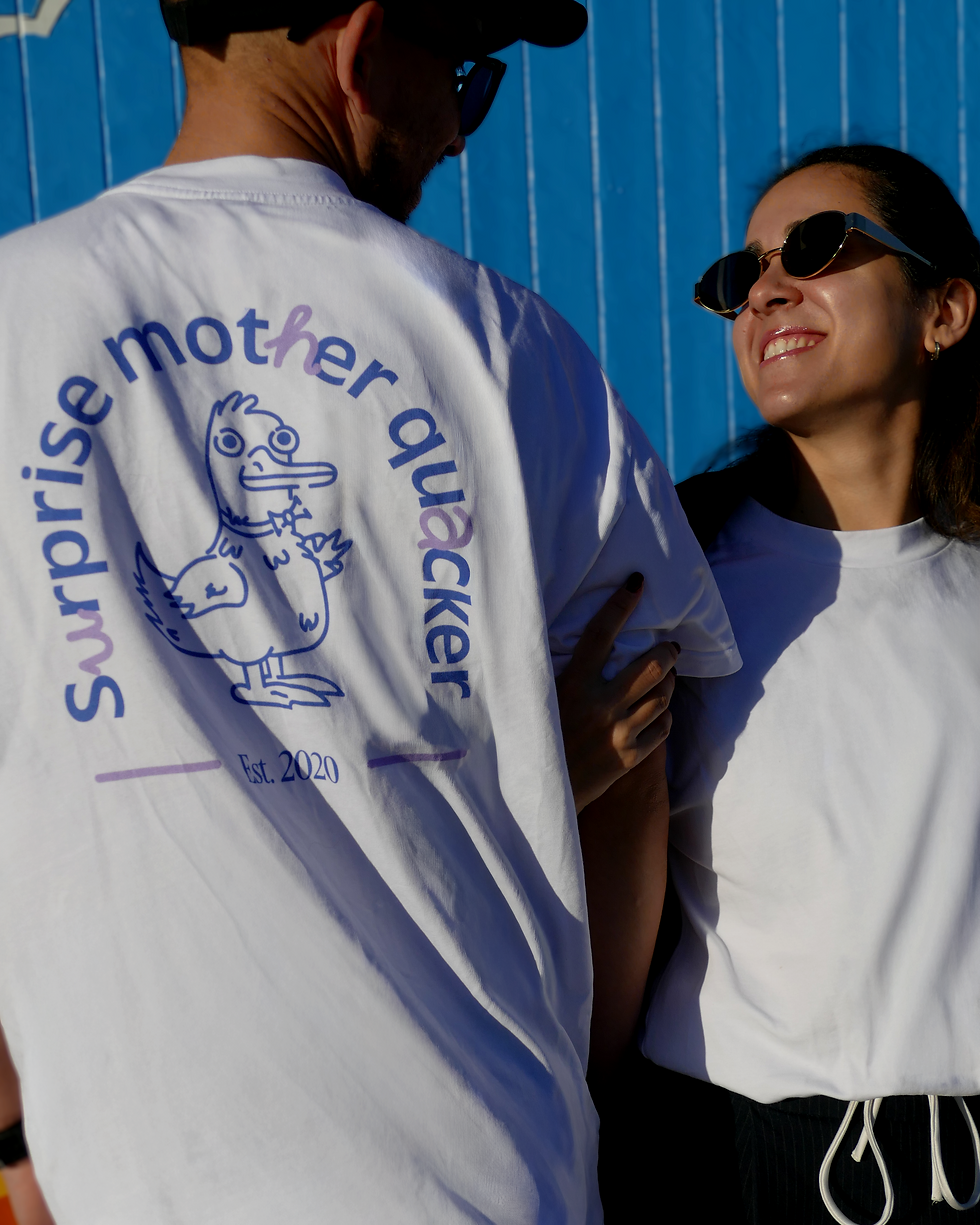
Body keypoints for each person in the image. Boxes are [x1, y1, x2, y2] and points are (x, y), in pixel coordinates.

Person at [0, 1, 741, 1220]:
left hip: (136, 1185)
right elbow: (633, 774)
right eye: (461, 72)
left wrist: (21, 1136)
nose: (459, 127)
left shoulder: (14, 323)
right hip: (485, 1173)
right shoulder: (508, 348)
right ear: (359, 45)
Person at [601, 144, 980, 1225]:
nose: (765, 288)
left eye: (815, 249)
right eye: (741, 274)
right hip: (726, 1159)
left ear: (942, 311)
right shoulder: (667, 575)